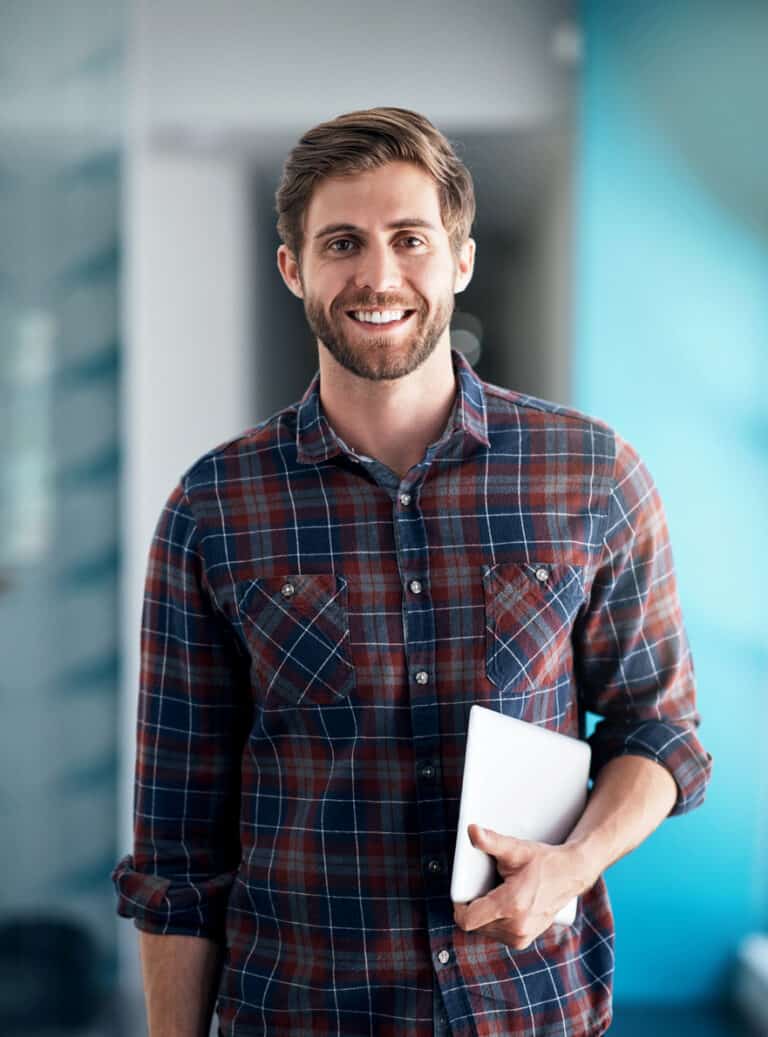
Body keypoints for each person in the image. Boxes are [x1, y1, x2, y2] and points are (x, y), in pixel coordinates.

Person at [112, 107, 713, 1037]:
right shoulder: (213, 508)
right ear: (294, 269)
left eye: (410, 239)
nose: (378, 276)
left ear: (460, 260)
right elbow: (176, 849)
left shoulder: (592, 473)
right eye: (343, 242)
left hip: (527, 1009)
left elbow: (661, 730)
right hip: (303, 1012)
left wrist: (575, 860)